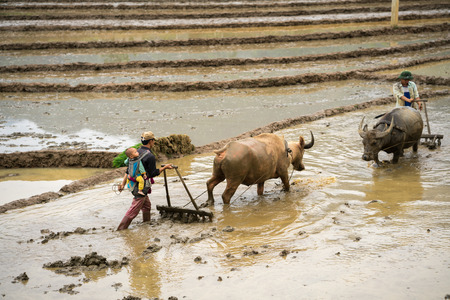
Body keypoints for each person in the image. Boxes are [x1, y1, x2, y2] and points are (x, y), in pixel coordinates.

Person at [117, 131, 173, 230]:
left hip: (132, 184)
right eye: (153, 140)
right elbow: (152, 173)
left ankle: (146, 224)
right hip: (140, 187)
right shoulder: (150, 156)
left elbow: (128, 170)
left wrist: (122, 184)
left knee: (147, 206)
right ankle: (121, 229)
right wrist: (165, 168)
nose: (154, 142)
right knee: (133, 210)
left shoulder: (134, 152)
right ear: (151, 141)